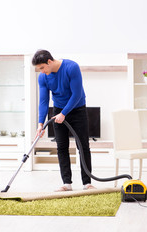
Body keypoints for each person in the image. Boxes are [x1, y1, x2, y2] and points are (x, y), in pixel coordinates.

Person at [32, 50, 96, 192]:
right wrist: (40, 124)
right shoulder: (43, 77)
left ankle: (87, 183)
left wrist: (64, 113)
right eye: (39, 69)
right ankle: (66, 183)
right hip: (58, 111)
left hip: (77, 109)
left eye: (42, 68)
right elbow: (43, 101)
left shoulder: (71, 67)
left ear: (49, 61)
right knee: (61, 147)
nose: (41, 72)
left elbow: (77, 94)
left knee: (83, 146)